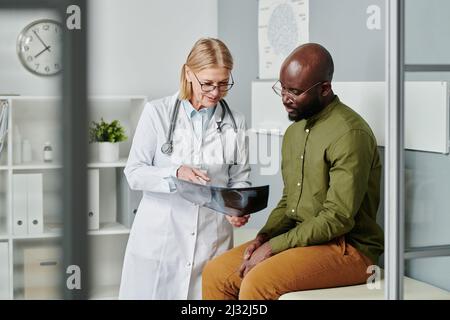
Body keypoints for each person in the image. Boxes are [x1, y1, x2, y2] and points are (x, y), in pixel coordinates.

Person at [202, 43, 384, 300]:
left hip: (349, 248)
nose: (285, 97)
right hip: (304, 239)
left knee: (257, 283)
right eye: (282, 88)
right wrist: (263, 236)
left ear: (324, 89)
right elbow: (291, 201)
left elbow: (337, 218)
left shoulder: (350, 134)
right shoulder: (294, 132)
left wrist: (274, 246)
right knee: (216, 273)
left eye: (295, 91)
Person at [119, 38, 251, 300]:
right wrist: (175, 173)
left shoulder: (235, 121)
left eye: (224, 83)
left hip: (211, 242)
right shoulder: (156, 113)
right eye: (208, 83)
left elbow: (240, 178)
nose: (216, 92)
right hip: (161, 241)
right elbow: (134, 172)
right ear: (188, 73)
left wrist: (238, 205)